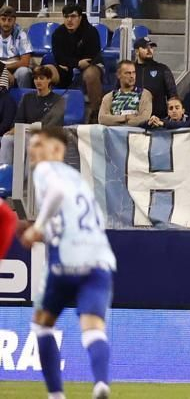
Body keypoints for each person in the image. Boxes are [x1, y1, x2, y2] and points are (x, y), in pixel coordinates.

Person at [19, 126, 117, 399]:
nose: (32, 151)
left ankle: (56, 395)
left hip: (66, 262)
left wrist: (36, 228)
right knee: (93, 329)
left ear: (57, 150)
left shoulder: (46, 171)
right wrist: (47, 232)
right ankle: (100, 384)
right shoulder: (78, 179)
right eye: (32, 146)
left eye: (39, 145)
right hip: (99, 261)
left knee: (41, 324)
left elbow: (56, 195)